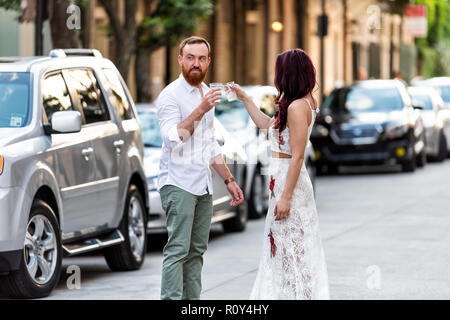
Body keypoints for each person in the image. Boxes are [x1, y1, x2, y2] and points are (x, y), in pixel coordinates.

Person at [231, 48, 329, 300]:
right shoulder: (299, 102)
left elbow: (297, 155)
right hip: (282, 179)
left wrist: (285, 196)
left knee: (293, 248)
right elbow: (267, 125)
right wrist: (244, 98)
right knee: (287, 247)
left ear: (287, 73)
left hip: (289, 182)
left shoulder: (297, 106)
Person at [156, 36, 244, 300]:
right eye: (190, 58)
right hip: (178, 183)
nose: (196, 63)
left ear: (208, 62)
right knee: (178, 250)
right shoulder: (170, 96)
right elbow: (173, 140)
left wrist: (229, 180)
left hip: (203, 184)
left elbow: (209, 146)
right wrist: (200, 109)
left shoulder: (207, 92)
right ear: (180, 60)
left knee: (196, 252)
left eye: (201, 58)